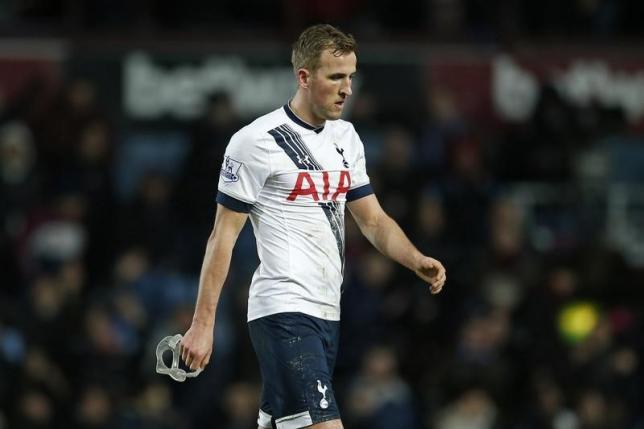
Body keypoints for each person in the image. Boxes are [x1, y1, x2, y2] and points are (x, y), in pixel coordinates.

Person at [180, 24, 447, 429]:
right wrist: (203, 325)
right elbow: (223, 237)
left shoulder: (347, 138)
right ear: (304, 77)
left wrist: (414, 259)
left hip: (327, 312)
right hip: (283, 310)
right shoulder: (256, 142)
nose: (347, 89)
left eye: (351, 77)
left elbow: (372, 219)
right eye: (336, 77)